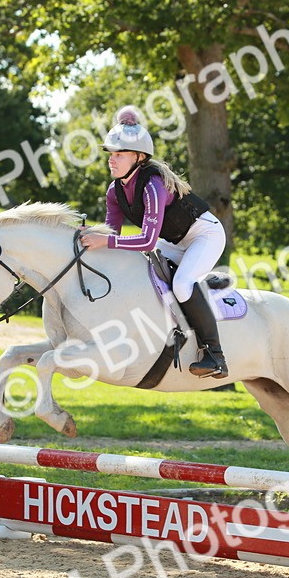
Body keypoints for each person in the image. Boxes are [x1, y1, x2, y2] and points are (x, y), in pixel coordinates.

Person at [80, 106, 229, 379]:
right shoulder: (114, 191)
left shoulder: (153, 185)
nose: (112, 160)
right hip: (174, 241)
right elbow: (111, 234)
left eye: (119, 154)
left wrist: (104, 241)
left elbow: (148, 241)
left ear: (139, 157)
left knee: (182, 284)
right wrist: (87, 235)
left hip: (205, 235)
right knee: (141, 271)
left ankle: (215, 355)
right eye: (110, 154)